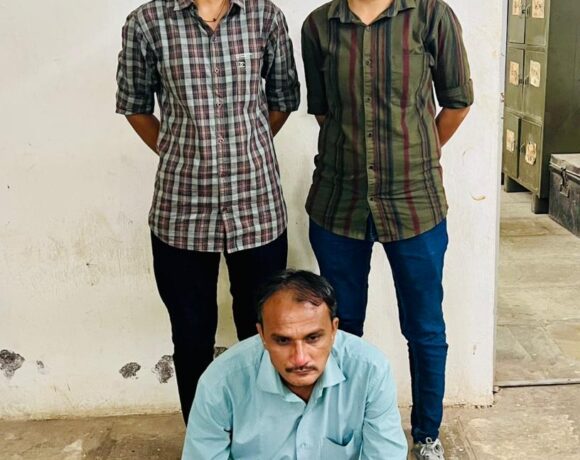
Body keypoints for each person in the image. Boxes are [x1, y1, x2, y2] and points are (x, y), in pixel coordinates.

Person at [301, 0, 473, 458]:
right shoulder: (319, 25)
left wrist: (416, 152)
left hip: (415, 202)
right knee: (340, 326)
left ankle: (427, 434)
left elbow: (458, 101)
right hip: (339, 202)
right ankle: (348, 431)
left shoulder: (431, 15)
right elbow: (324, 112)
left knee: (424, 327)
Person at [116, 0, 300, 423]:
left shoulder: (265, 16)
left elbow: (283, 97)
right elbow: (135, 105)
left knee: (262, 331)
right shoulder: (147, 22)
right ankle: (205, 439)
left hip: (256, 205)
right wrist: (178, 150)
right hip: (182, 209)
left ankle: (259, 433)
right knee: (191, 335)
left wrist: (248, 146)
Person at [182, 270, 408, 459]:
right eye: (283, 340)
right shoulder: (220, 383)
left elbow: (386, 455)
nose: (300, 358)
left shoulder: (370, 371)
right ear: (262, 335)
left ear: (334, 330)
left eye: (313, 338)